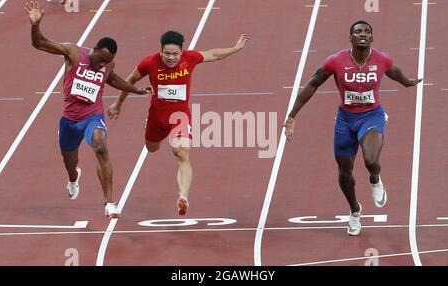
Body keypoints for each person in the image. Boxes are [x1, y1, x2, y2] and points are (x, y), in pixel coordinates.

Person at [283, 20, 422, 236]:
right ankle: (355, 210)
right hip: (345, 121)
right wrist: (292, 115)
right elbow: (312, 84)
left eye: (367, 31)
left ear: (372, 38)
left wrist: (407, 82)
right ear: (351, 38)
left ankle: (375, 179)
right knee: (345, 173)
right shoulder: (335, 61)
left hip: (372, 116)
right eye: (358, 32)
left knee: (371, 160)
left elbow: (395, 73)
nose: (363, 34)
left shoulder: (381, 59)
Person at [25, 1, 148, 218]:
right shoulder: (73, 53)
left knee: (101, 147)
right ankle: (74, 177)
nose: (103, 65)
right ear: (95, 50)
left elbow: (112, 79)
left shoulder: (108, 64)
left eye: (107, 62)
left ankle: (109, 203)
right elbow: (40, 43)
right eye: (101, 60)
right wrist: (35, 25)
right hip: (70, 120)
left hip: (93, 115)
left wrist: (134, 90)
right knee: (69, 161)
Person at [107, 31, 249, 215]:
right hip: (156, 116)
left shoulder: (190, 58)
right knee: (152, 147)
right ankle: (154, 132)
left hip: (179, 115)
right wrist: (118, 104)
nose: (171, 58)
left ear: (182, 52)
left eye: (175, 54)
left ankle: (183, 197)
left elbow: (213, 54)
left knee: (182, 153)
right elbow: (130, 80)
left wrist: (235, 48)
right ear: (161, 51)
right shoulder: (149, 62)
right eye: (167, 53)